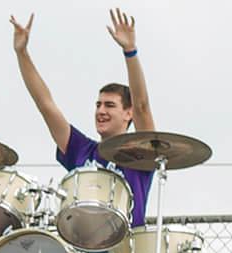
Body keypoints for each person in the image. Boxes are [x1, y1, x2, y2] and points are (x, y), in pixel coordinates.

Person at [11, 10, 157, 233]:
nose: (101, 111)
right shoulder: (82, 149)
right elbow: (45, 104)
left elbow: (142, 106)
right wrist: (22, 52)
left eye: (110, 105)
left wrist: (130, 51)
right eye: (98, 105)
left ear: (128, 114)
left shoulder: (140, 154)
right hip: (81, 251)